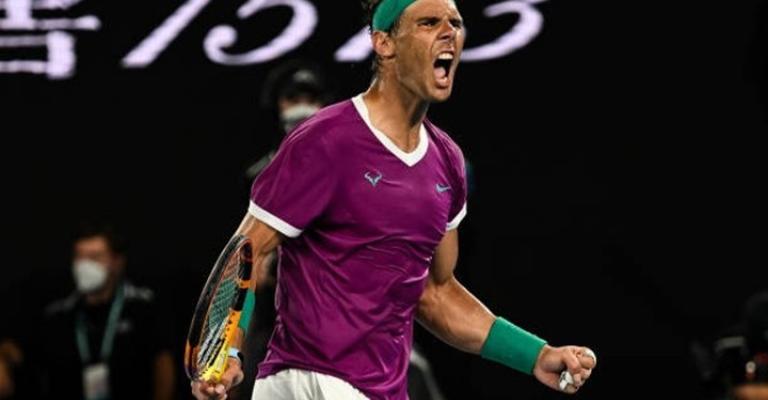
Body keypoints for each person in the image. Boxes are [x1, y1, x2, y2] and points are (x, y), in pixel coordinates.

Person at [192, 0, 597, 399]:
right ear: (384, 43)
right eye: (428, 22)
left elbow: (436, 294)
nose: (448, 32)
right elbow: (248, 251)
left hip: (376, 390)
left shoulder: (447, 163)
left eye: (455, 23)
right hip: (309, 381)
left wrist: (535, 355)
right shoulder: (325, 140)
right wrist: (227, 351)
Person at [37, 223, 176, 400]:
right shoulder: (58, 315)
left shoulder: (143, 307)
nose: (85, 265)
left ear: (117, 262)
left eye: (94, 257)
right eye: (80, 257)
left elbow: (163, 365)